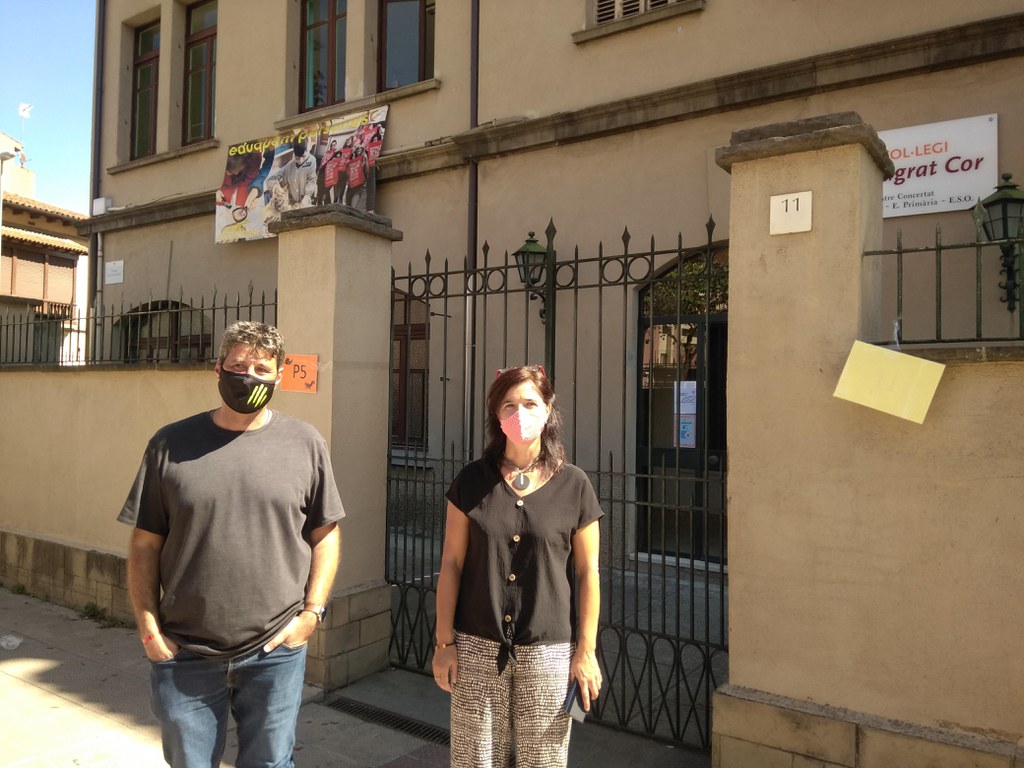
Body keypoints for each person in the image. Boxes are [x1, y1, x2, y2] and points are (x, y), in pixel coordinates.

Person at [118, 321, 345, 768]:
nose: (249, 377)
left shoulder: (305, 443)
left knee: (270, 763)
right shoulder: (170, 444)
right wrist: (148, 629)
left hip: (275, 651)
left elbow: (326, 534)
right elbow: (144, 544)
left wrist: (311, 614)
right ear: (218, 368)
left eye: (262, 369)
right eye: (239, 366)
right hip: (185, 651)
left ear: (280, 376)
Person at [432, 365, 603, 768]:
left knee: (543, 760)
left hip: (548, 652)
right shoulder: (471, 481)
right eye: (509, 404)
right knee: (474, 760)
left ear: (548, 410)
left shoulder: (575, 485)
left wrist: (586, 651)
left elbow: (588, 573)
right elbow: (451, 564)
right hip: (476, 646)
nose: (520, 413)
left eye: (530, 403)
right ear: (496, 414)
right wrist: (443, 643)